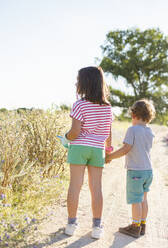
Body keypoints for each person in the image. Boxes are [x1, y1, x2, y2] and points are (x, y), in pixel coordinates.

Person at [58, 66, 113, 239]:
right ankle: (97, 227)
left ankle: (71, 225)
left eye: (78, 80)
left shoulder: (79, 105)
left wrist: (66, 138)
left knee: (75, 185)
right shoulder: (107, 107)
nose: (76, 83)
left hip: (80, 147)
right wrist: (108, 149)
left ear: (84, 83)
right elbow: (108, 133)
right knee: (96, 188)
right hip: (98, 149)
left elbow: (75, 132)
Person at [105, 99, 155, 238]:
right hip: (148, 171)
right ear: (149, 117)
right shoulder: (150, 132)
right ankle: (142, 225)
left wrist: (109, 157)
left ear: (133, 115)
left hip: (136, 171)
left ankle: (135, 227)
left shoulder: (132, 130)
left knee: (136, 200)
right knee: (144, 198)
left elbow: (126, 149)